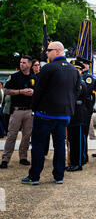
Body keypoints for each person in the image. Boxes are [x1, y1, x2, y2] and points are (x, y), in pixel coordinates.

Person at [21, 42, 81, 185]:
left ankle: (34, 176)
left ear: (58, 51)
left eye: (49, 50)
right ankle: (59, 176)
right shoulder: (73, 70)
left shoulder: (48, 68)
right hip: (64, 114)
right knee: (60, 145)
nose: (46, 53)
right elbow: (77, 91)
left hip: (46, 114)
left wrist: (34, 108)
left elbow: (39, 91)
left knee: (38, 145)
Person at [0, 55, 35, 169]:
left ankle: (23, 157)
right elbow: (5, 91)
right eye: (21, 62)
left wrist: (33, 92)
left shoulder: (34, 77)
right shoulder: (14, 77)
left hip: (29, 111)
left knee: (26, 136)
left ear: (30, 64)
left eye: (24, 63)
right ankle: (5, 159)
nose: (21, 64)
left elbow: (39, 91)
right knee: (11, 135)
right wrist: (21, 91)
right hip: (17, 110)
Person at [66, 60, 89, 172]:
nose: (75, 71)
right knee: (72, 140)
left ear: (80, 71)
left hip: (78, 114)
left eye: (77, 70)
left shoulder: (80, 83)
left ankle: (78, 163)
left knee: (78, 141)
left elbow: (74, 98)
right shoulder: (73, 82)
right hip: (72, 114)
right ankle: (73, 161)